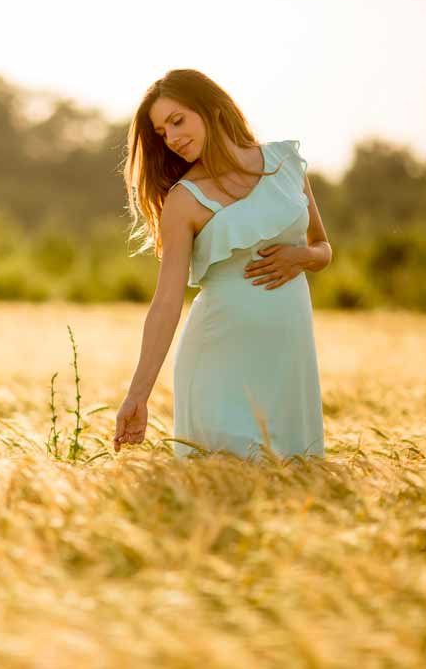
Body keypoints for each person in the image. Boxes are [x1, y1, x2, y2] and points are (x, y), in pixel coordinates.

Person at [112, 69, 331, 461]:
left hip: (289, 360)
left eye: (177, 121)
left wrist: (302, 257)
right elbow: (166, 301)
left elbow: (323, 246)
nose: (173, 138)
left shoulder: (286, 163)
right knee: (219, 490)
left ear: (211, 108)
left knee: (296, 489)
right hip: (219, 361)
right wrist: (138, 395)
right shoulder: (183, 201)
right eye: (162, 132)